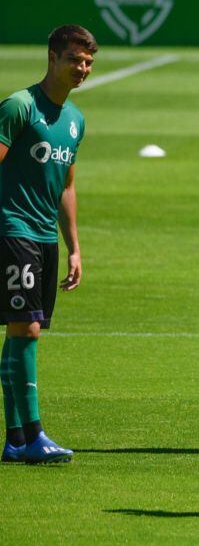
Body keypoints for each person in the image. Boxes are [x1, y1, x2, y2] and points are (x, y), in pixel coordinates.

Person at [0, 25, 95, 464]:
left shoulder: (75, 120)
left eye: (89, 62)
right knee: (26, 328)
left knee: (25, 329)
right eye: (75, 59)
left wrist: (74, 245)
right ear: (53, 58)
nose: (82, 69)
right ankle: (31, 434)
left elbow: (67, 187)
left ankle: (17, 440)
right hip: (13, 228)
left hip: (44, 236)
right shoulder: (19, 107)